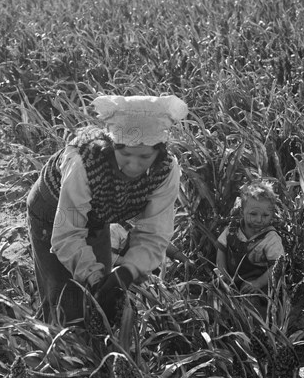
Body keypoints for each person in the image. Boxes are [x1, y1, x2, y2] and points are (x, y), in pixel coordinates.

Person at [26, 94, 188, 327]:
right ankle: (58, 356)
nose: (134, 164)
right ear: (113, 146)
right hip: (53, 213)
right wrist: (93, 276)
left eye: (144, 156)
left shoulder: (166, 170)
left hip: (98, 217)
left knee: (102, 298)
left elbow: (154, 232)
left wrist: (127, 271)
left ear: (159, 151)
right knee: (65, 302)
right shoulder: (84, 162)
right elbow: (67, 235)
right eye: (126, 154)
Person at [215, 180, 285, 295]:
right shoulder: (232, 230)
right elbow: (221, 250)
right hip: (232, 277)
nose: (259, 219)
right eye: (253, 214)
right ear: (242, 212)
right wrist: (222, 276)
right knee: (213, 290)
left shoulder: (270, 238)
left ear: (272, 215)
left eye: (265, 215)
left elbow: (277, 266)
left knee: (251, 297)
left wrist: (258, 283)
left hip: (257, 281)